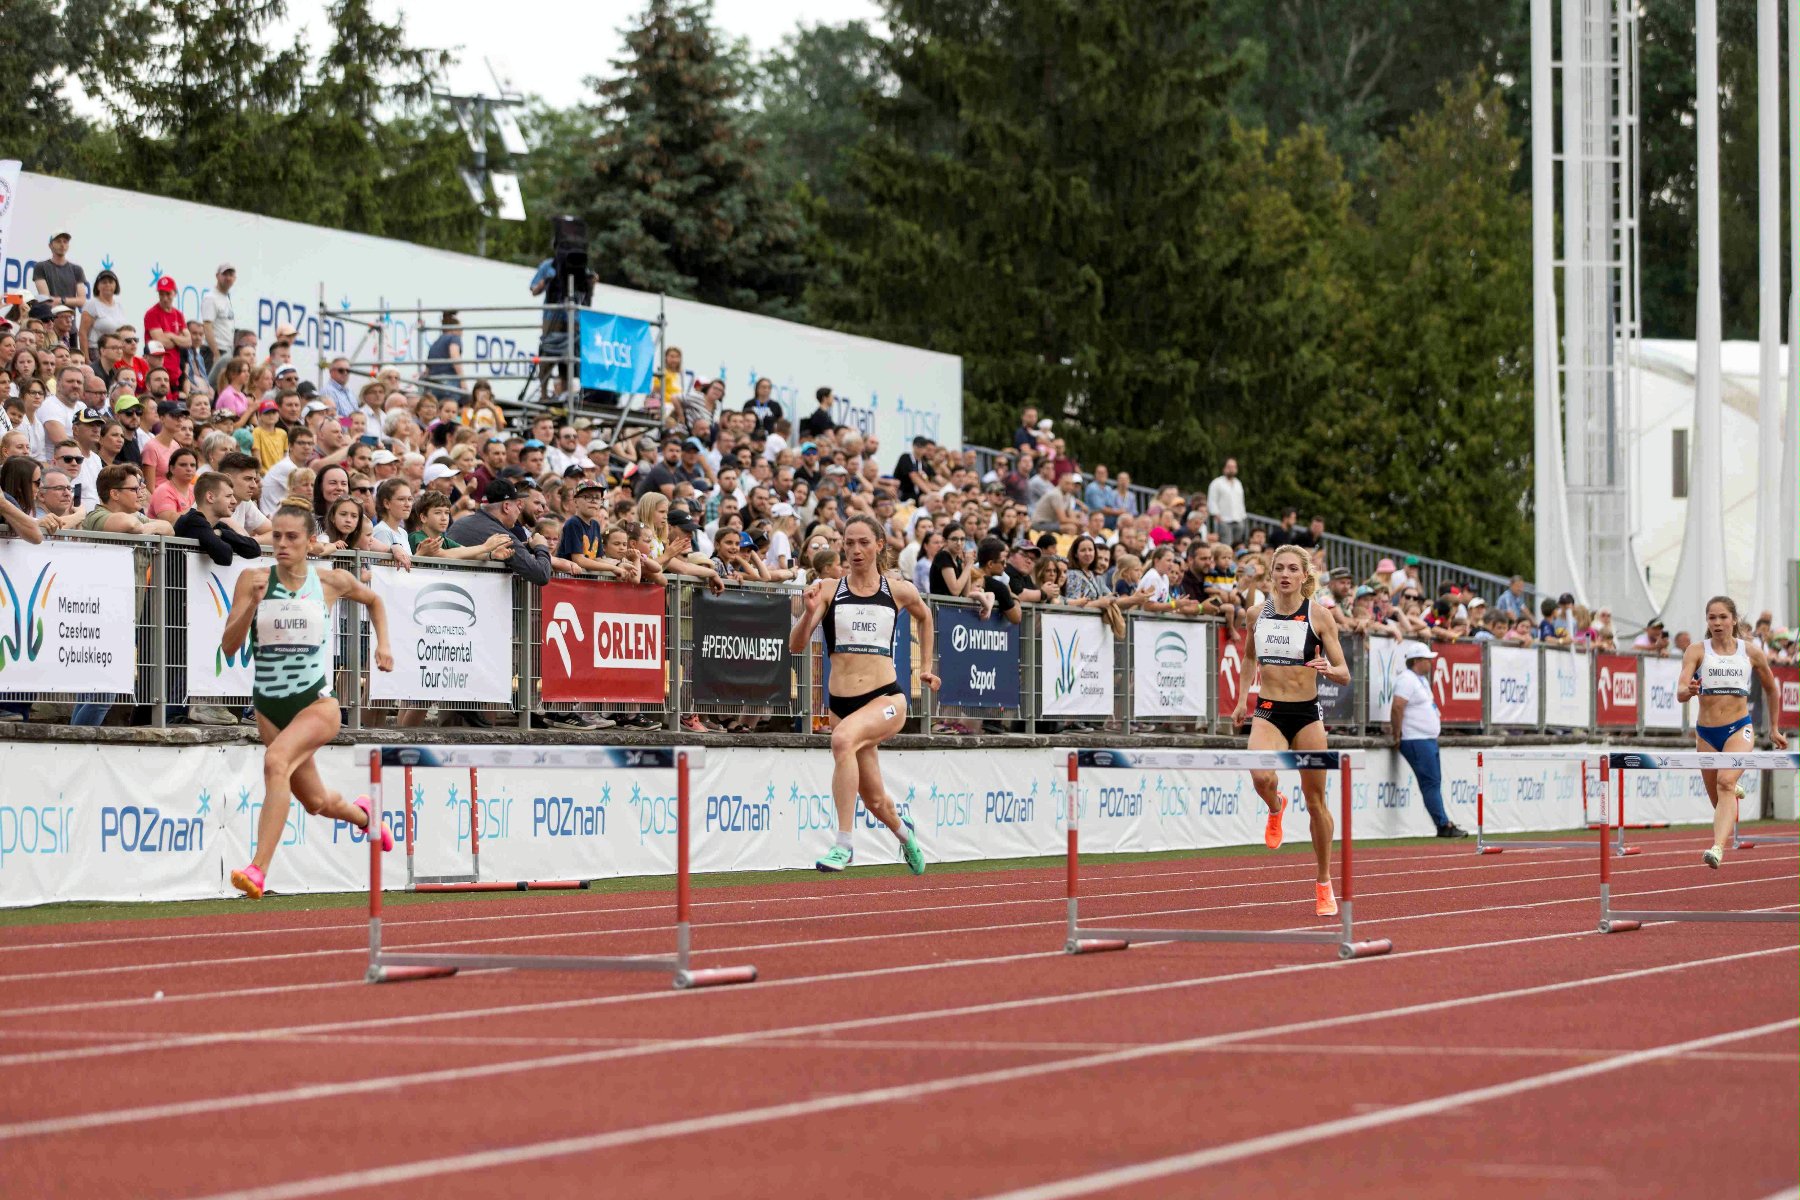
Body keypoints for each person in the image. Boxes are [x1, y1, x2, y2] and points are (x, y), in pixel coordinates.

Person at [221, 506, 396, 899]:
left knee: (275, 762)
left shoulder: (331, 580)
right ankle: (364, 814)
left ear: (309, 542)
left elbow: (375, 601)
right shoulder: (252, 580)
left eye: (292, 537)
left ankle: (258, 870)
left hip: (317, 703)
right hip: (269, 706)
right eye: (276, 536)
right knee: (316, 802)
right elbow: (229, 647)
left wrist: (383, 646)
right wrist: (251, 605)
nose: (281, 544)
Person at [787, 514, 937, 874]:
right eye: (848, 543)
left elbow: (926, 617)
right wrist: (808, 616)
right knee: (874, 800)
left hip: (886, 699)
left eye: (863, 543)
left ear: (879, 546)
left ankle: (844, 845)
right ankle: (906, 836)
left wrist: (927, 666)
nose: (855, 550)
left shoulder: (897, 590)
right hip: (841, 704)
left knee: (841, 741)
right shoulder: (827, 589)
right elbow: (795, 647)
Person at [1233, 544, 1352, 916]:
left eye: (1291, 569)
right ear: (1272, 574)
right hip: (1268, 709)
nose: (1285, 575)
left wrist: (1327, 670)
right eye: (1279, 569)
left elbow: (1345, 673)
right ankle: (1275, 805)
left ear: (1304, 576)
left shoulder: (1319, 616)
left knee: (1316, 802)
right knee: (1260, 776)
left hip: (1306, 713)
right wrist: (1241, 701)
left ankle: (1323, 882)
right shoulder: (1257, 614)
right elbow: (1250, 656)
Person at [1676, 595, 1789, 868]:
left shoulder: (1750, 652)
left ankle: (1717, 848)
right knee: (1718, 797)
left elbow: (1772, 690)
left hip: (1739, 728)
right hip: (1706, 733)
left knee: (1724, 782)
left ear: (1733, 620)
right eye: (1712, 618)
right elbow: (1680, 692)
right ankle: (1732, 787)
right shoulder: (1696, 651)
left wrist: (1773, 728)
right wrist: (1688, 691)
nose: (1717, 622)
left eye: (1722, 617)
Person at [1389, 642, 1468, 838]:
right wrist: (1397, 734)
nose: (1431, 663)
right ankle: (1443, 824)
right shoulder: (1406, 680)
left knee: (1433, 782)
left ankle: (1443, 822)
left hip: (1426, 739)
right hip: (1416, 739)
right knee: (1431, 783)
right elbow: (1397, 707)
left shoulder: (1419, 680)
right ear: (1416, 661)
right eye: (1427, 660)